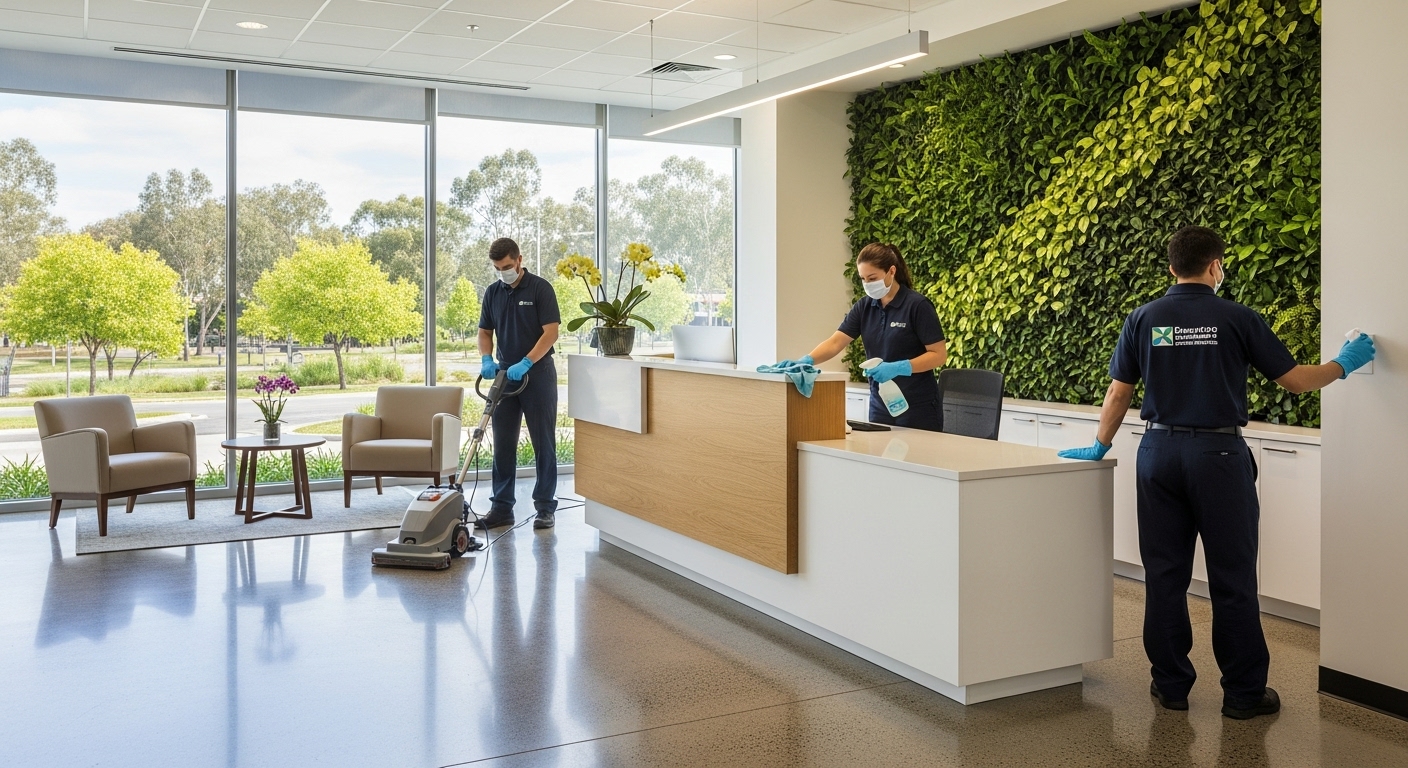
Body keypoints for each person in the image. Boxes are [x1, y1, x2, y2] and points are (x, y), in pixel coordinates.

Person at [1059, 225, 1375, 719]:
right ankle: (1244, 695)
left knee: (1164, 575)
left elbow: (1119, 391)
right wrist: (1344, 363)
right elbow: (1295, 381)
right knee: (1232, 577)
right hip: (1219, 457)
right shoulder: (1237, 317)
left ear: (1172, 268)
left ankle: (1171, 687)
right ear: (1215, 266)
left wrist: (1101, 444)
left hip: (1158, 453)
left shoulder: (1143, 318)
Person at [776, 243, 948, 431]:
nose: (867, 284)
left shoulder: (917, 306)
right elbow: (835, 342)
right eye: (863, 279)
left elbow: (939, 355)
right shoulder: (864, 307)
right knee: (879, 450)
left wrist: (899, 367)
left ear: (891, 271)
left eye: (872, 278)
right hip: (881, 405)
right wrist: (806, 361)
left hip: (918, 406)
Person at [476, 237, 561, 531]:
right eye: (498, 268)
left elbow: (551, 332)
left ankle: (545, 508)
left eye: (508, 266)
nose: (504, 272)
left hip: (537, 375)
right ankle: (501, 508)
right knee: (502, 444)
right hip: (505, 377)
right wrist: (486, 359)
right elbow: (485, 331)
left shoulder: (540, 289)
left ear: (519, 260)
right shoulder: (493, 293)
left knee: (543, 443)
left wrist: (527, 361)